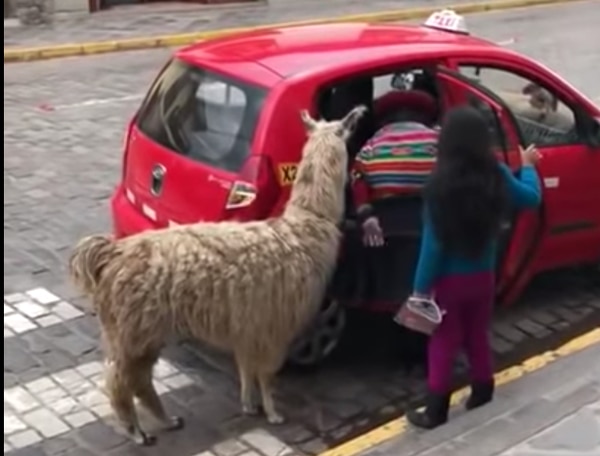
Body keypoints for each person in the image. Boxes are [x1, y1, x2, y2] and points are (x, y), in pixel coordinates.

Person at [405, 105, 542, 429]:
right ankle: (483, 388)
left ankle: (436, 409)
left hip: (448, 284)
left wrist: (419, 291)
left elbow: (432, 246)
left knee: (443, 341)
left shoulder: (438, 188)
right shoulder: (497, 175)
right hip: (483, 276)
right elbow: (531, 199)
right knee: (477, 334)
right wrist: (527, 167)